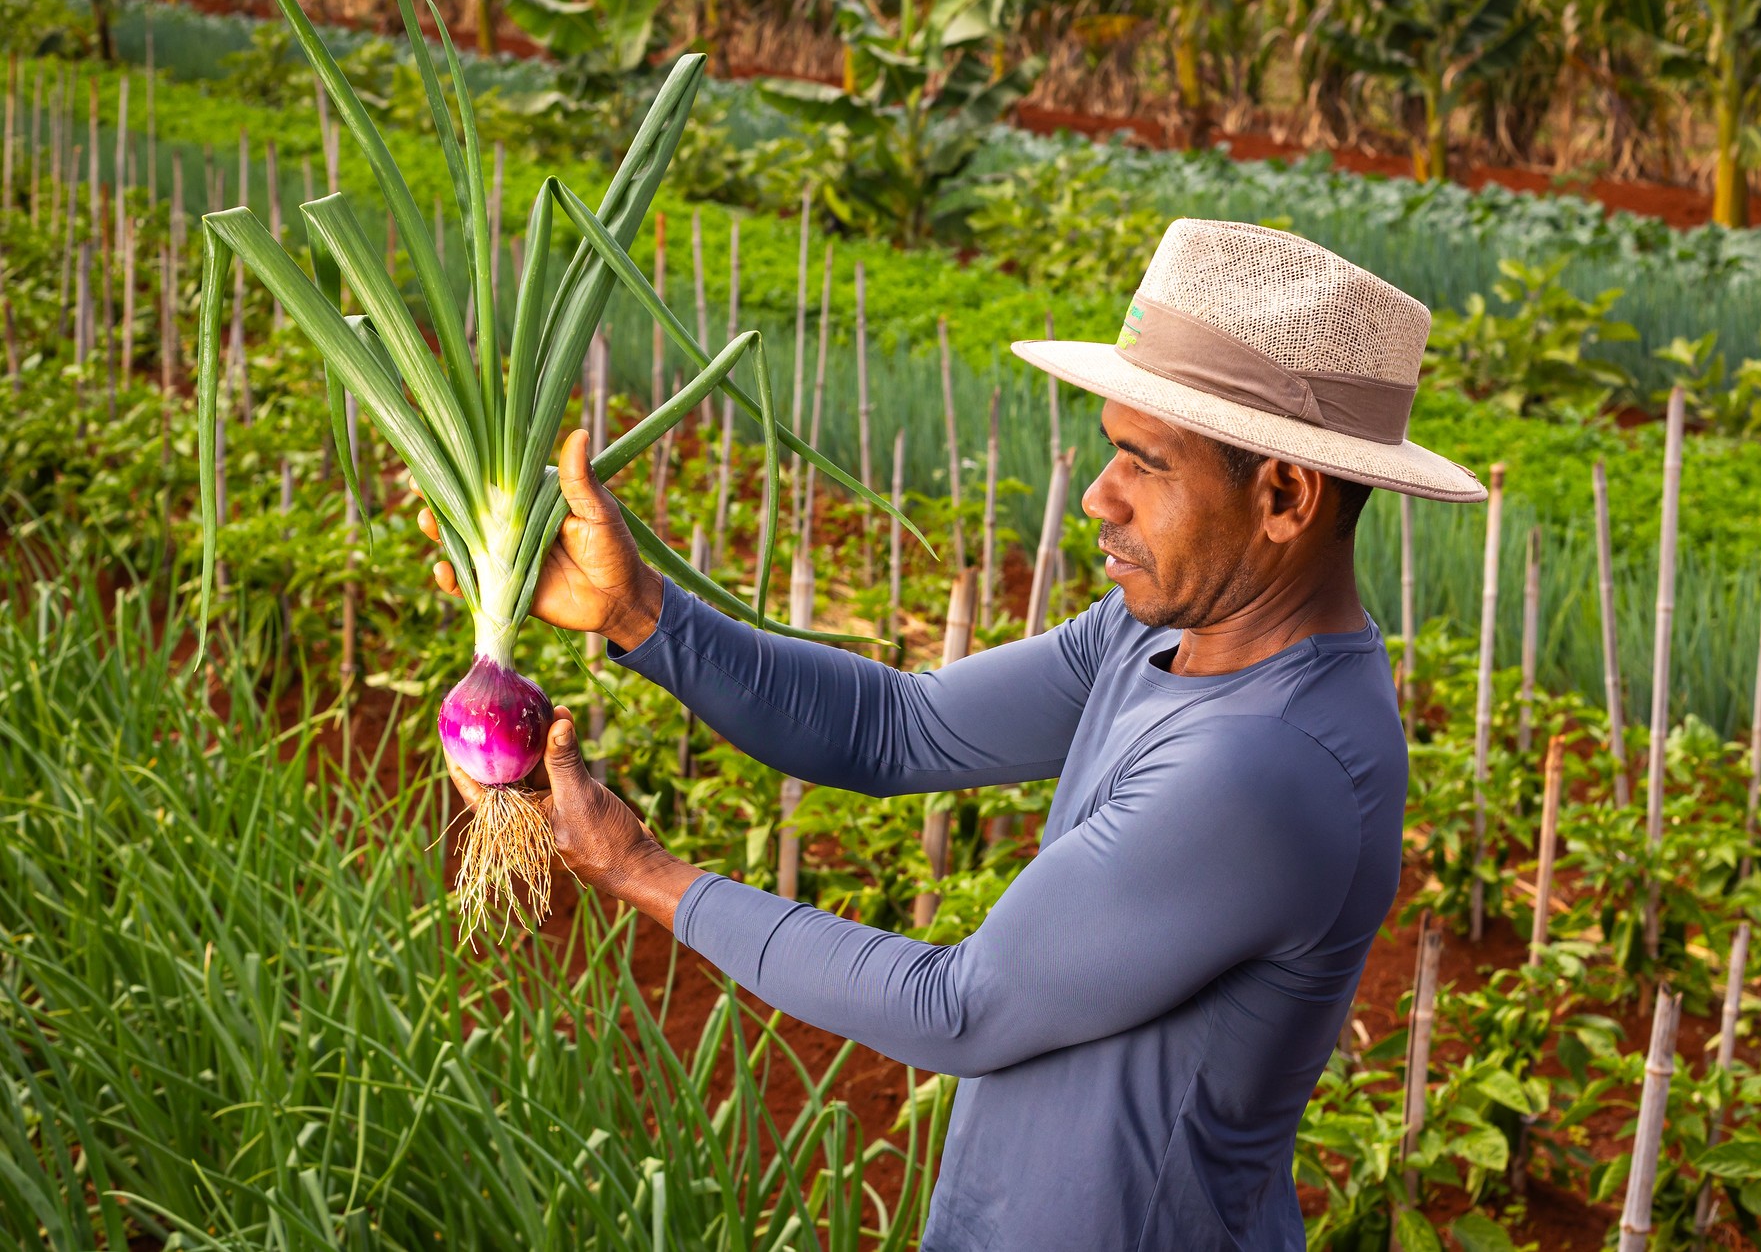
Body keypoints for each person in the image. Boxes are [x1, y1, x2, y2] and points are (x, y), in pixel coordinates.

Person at [426, 218, 1486, 1251]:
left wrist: (640, 870)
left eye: (1146, 463)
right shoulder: (1157, 632)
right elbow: (900, 727)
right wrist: (635, 611)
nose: (1100, 498)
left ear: (1285, 495)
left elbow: (958, 1008)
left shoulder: (1268, 762)